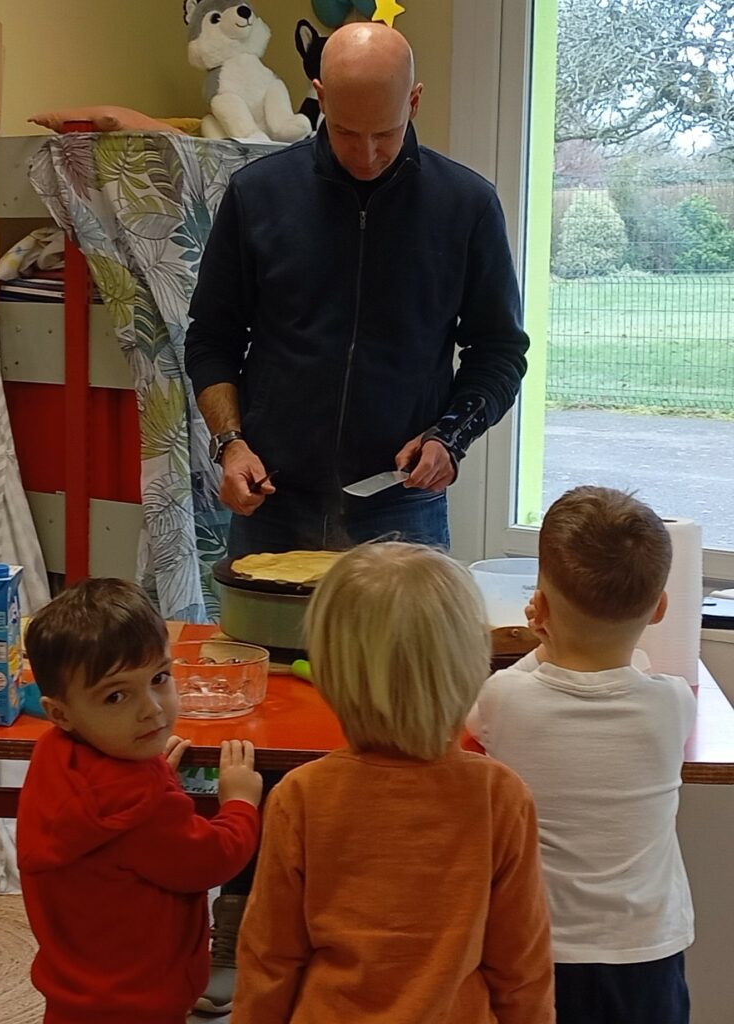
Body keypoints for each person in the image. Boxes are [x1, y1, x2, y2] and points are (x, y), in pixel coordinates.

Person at [184, 21, 529, 559]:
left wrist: (450, 437)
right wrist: (231, 445)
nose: (366, 155)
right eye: (345, 132)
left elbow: (500, 351)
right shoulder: (257, 195)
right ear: (320, 97)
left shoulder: (467, 206)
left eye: (385, 133)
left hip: (400, 500)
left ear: (414, 102)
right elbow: (211, 338)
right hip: (272, 498)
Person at [227, 542, 554, 1022]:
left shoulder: (300, 796)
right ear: (471, 666)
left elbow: (268, 961)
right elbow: (521, 968)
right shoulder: (500, 796)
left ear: (329, 673)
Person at [466, 486, 697, 1024]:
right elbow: (636, 668)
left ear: (540, 608)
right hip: (647, 950)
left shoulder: (506, 699)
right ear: (660, 608)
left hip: (540, 949)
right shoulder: (671, 703)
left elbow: (477, 717)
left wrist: (543, 645)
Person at [17, 578, 263, 1024]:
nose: (151, 708)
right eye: (116, 695)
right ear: (60, 712)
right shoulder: (141, 806)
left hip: (76, 992)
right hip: (143, 998)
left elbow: (112, 827)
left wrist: (154, 777)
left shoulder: (54, 753)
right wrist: (239, 804)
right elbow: (212, 859)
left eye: (159, 678)